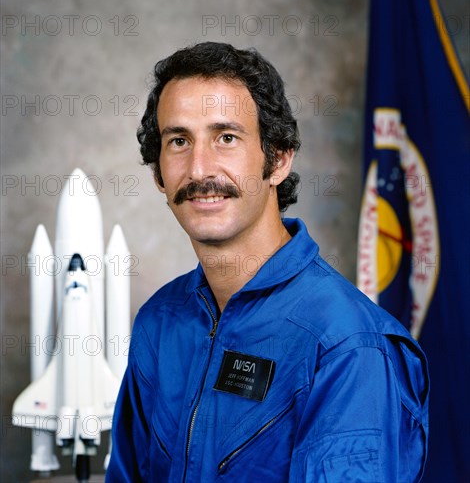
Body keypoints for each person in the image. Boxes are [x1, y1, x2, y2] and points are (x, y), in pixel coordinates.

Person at [107, 42, 429, 482]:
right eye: (179, 141)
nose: (200, 169)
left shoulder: (347, 346)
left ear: (277, 159)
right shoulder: (160, 323)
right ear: (158, 174)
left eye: (226, 137)